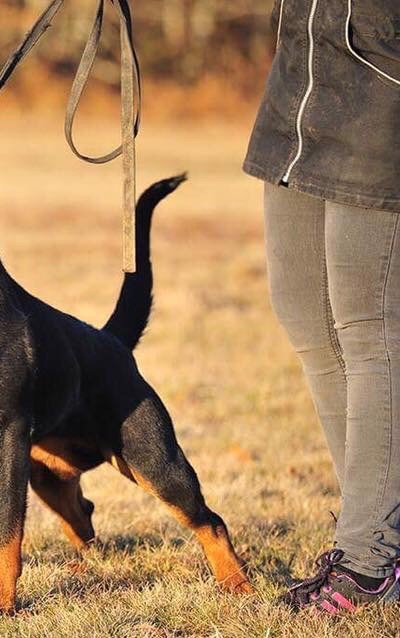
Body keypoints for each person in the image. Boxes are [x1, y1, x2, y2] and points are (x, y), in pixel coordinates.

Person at [244, 0, 400, 614]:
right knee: (306, 316)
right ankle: (383, 532)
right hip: (301, 78)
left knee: (372, 330)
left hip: (384, 80)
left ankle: (369, 561)